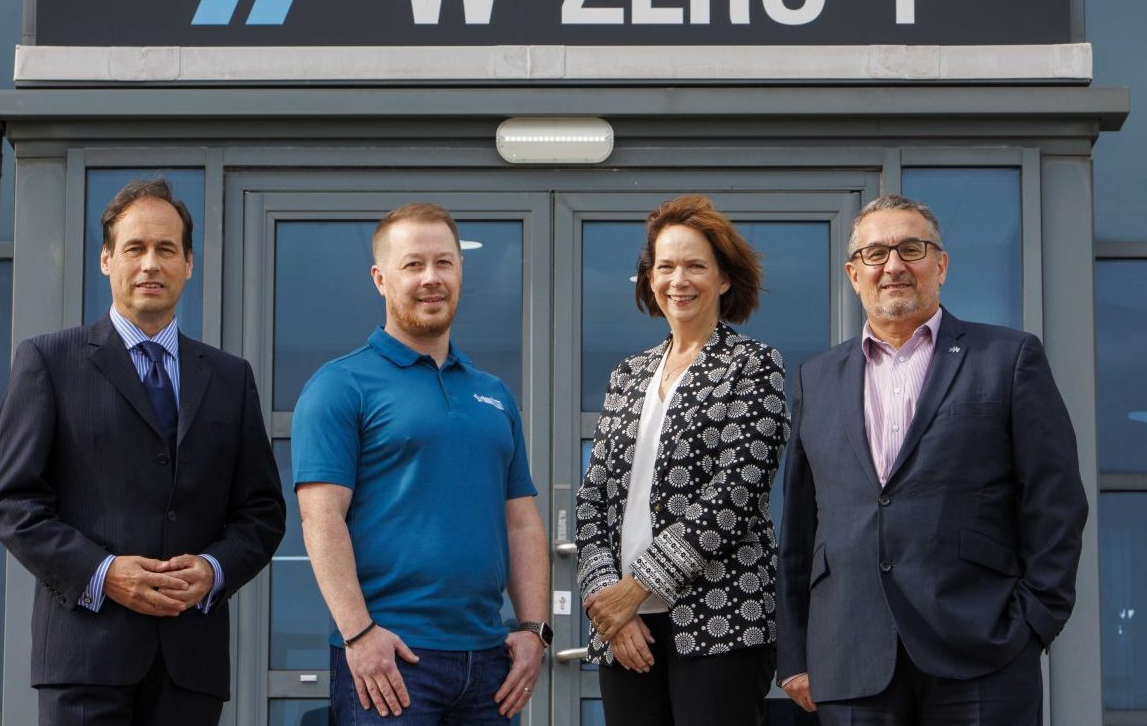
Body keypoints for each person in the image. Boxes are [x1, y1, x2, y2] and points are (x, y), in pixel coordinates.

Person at [775, 194, 1088, 725]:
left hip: (981, 648)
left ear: (940, 265)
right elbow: (801, 528)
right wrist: (796, 653)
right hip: (850, 657)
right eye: (875, 254)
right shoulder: (816, 378)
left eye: (911, 249)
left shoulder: (1008, 358)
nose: (893, 265)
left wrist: (1035, 620)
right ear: (855, 275)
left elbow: (1055, 500)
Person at [0, 178, 287, 725]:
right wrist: (103, 573)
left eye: (166, 249)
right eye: (135, 248)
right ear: (106, 259)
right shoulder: (50, 362)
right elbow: (11, 504)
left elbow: (262, 512)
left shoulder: (228, 377)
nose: (151, 264)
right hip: (85, 656)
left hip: (189, 663)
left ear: (189, 263)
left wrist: (215, 569)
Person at [291, 202, 551, 725]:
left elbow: (521, 523)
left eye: (444, 263)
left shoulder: (493, 394)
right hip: (390, 660)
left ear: (460, 271)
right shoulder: (341, 385)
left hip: (489, 666)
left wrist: (533, 629)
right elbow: (321, 519)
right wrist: (358, 634)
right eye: (413, 265)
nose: (431, 279)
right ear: (380, 278)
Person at [576, 195, 789, 726]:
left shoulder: (753, 365)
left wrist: (635, 589)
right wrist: (611, 605)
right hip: (625, 628)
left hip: (722, 617)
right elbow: (593, 498)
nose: (679, 280)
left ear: (723, 280)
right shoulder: (628, 374)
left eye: (696, 265)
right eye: (665, 266)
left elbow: (733, 494)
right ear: (650, 280)